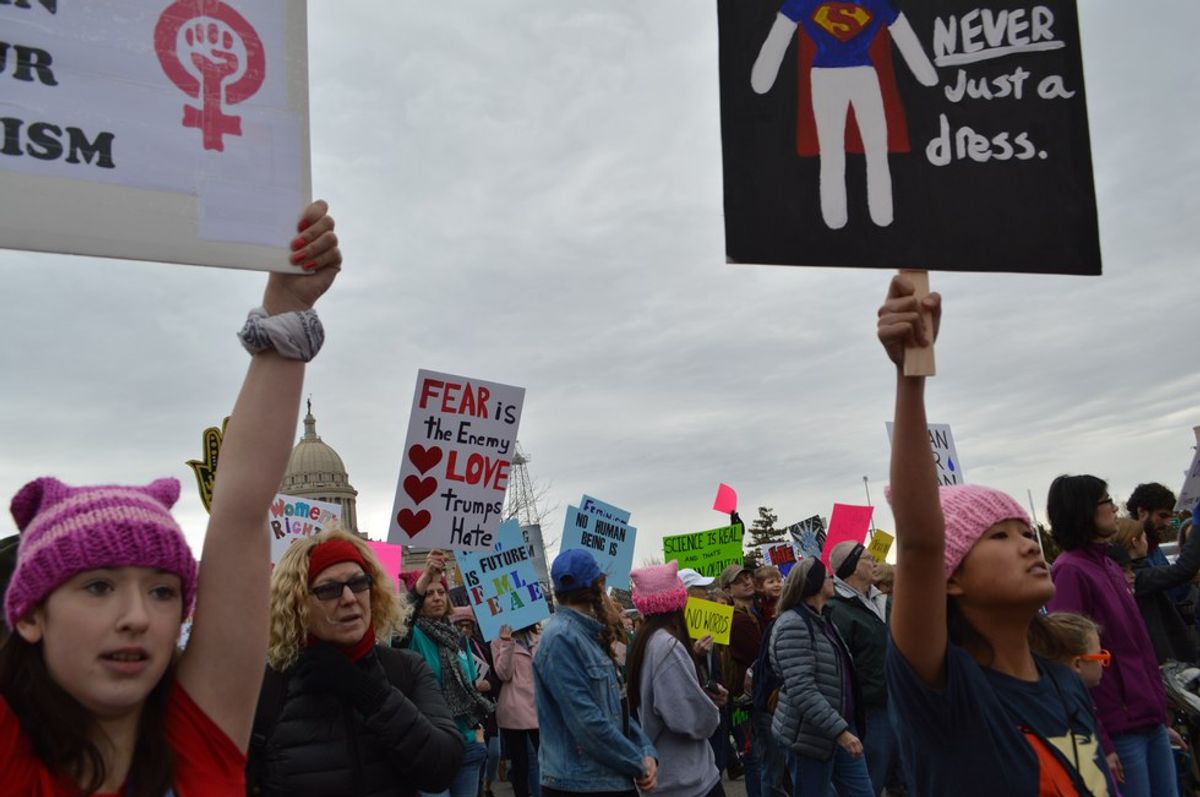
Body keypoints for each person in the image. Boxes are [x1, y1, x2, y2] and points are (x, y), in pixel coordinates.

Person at [0, 201, 342, 796]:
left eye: (162, 590)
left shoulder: (197, 737)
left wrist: (288, 311)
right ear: (29, 613)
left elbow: (239, 512)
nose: (138, 617)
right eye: (99, 585)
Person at [878, 274, 1116, 796]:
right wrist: (910, 376)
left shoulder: (1066, 683)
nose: (1029, 545)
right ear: (952, 579)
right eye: (999, 537)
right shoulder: (948, 695)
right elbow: (920, 543)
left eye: (1024, 531)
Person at [247, 529, 464, 796]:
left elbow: (441, 769)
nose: (350, 598)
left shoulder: (406, 669)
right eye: (329, 589)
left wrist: (371, 694)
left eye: (359, 583)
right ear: (297, 603)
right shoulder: (266, 688)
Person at [1047, 474, 1180, 796]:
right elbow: (1070, 663)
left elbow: (1140, 649)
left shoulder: (1107, 566)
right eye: (1106, 501)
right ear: (1083, 511)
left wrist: (1161, 715)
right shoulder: (1069, 571)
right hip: (1119, 732)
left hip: (1148, 721)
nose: (1114, 509)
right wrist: (1101, 740)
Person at [533, 549, 657, 797]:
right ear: (600, 585)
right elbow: (586, 721)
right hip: (581, 784)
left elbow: (618, 710)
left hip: (607, 779)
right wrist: (637, 761)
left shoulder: (590, 634)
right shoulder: (561, 638)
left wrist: (645, 751)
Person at [769, 557, 872, 797]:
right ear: (814, 584)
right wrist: (840, 733)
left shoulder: (823, 619)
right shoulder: (793, 624)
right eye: (827, 576)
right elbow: (802, 689)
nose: (833, 580)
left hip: (840, 728)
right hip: (810, 738)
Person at [626, 561, 725, 797]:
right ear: (677, 600)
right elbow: (686, 715)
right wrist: (711, 711)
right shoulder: (666, 646)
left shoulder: (645, 641)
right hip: (685, 781)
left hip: (671, 776)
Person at [403, 552, 494, 797]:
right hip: (430, 747)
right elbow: (403, 618)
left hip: (468, 744)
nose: (436, 597)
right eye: (429, 593)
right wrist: (427, 576)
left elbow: (471, 688)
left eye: (441, 592)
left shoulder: (459, 640)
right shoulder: (412, 635)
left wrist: (478, 731)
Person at [827, 540, 897, 796]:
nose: (875, 562)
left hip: (898, 700)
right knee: (872, 778)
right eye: (868, 558)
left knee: (906, 774)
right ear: (854, 568)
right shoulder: (836, 610)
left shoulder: (883, 600)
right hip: (870, 710)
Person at [1106, 506, 1200, 664]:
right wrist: (1197, 521)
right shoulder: (1138, 577)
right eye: (1144, 538)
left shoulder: (1142, 571)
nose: (1147, 542)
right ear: (1134, 543)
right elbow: (1182, 569)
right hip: (1165, 660)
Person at [719, 562, 764, 797]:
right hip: (745, 700)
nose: (747, 581)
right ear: (728, 590)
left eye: (748, 577)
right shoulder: (737, 621)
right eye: (739, 581)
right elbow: (760, 655)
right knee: (755, 758)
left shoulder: (753, 613)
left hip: (750, 698)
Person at [450, 607, 502, 797]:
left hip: (487, 710)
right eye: (460, 624)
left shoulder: (482, 647)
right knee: (476, 759)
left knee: (494, 753)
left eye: (468, 625)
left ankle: (487, 784)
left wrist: (489, 684)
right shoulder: (450, 648)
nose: (464, 629)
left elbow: (498, 676)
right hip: (468, 717)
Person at [492, 622, 541, 797]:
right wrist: (507, 644)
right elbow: (503, 673)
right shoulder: (497, 641)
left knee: (544, 759)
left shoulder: (538, 638)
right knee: (520, 764)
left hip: (539, 706)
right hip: (514, 709)